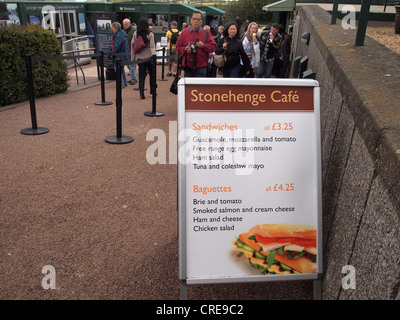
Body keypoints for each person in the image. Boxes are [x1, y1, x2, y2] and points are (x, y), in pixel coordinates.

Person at [175, 11, 216, 77]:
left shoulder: (206, 33)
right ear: (191, 20)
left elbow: (213, 47)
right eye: (194, 19)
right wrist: (185, 49)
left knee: (200, 87)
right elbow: (177, 48)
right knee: (189, 87)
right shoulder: (184, 33)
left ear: (201, 21)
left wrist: (203, 46)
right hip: (188, 67)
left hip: (201, 67)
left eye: (198, 19)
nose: (196, 21)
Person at [131, 17, 156, 99]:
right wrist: (154, 55)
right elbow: (152, 46)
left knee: (141, 75)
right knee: (152, 75)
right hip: (149, 56)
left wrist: (132, 58)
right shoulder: (150, 34)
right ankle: (153, 90)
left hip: (140, 57)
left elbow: (133, 45)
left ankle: (141, 92)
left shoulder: (136, 33)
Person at [111, 22, 130, 88]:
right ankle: (124, 82)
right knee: (122, 69)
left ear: (116, 28)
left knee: (118, 69)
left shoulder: (118, 36)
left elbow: (117, 46)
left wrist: (112, 53)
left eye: (112, 27)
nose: (112, 29)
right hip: (123, 55)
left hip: (119, 55)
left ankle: (121, 83)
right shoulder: (122, 34)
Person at [122, 18, 137, 85]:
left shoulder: (134, 31)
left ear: (129, 23)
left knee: (132, 66)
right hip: (126, 51)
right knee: (129, 66)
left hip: (132, 50)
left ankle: (133, 79)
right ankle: (133, 78)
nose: (125, 25)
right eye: (124, 24)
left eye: (126, 24)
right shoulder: (123, 31)